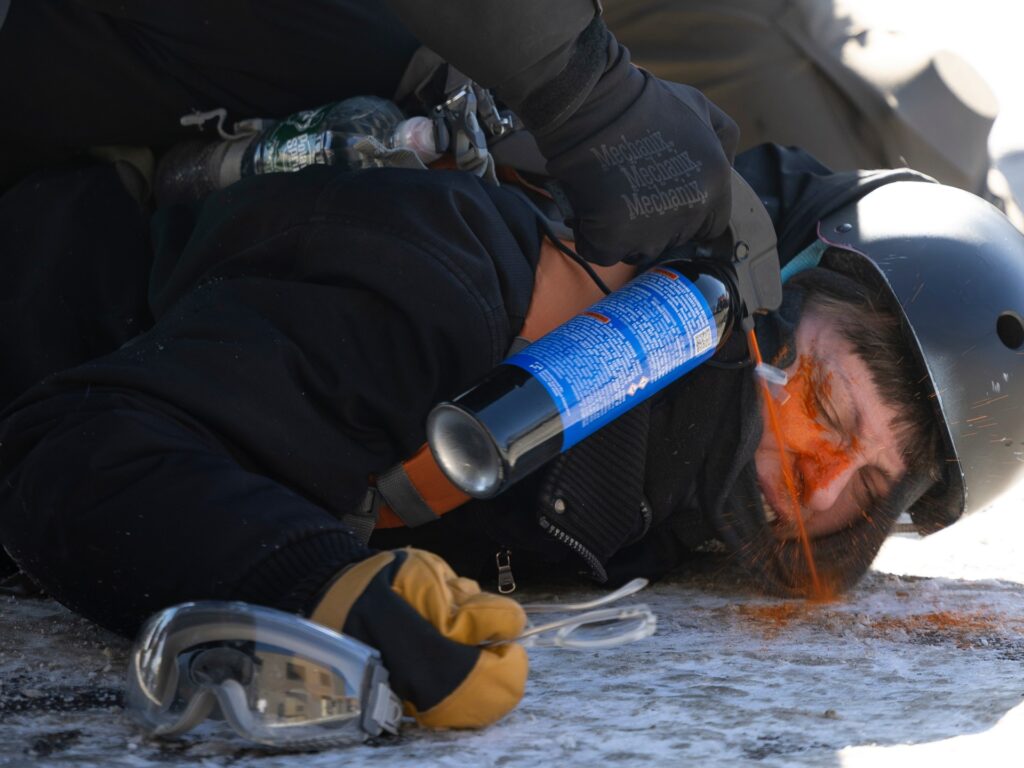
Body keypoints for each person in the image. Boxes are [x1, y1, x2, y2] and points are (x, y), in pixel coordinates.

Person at [3, 138, 1024, 729]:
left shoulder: (677, 474)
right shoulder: (471, 284)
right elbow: (70, 452)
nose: (820, 487)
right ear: (763, 295)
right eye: (828, 412)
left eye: (871, 490)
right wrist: (319, 590)